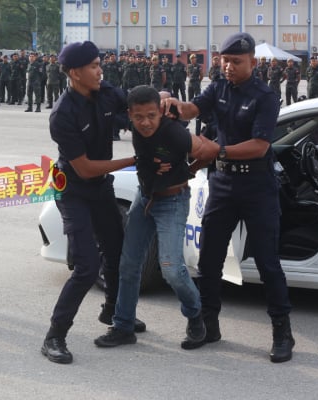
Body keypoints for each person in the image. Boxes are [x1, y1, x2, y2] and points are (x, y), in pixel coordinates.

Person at [161, 32, 295, 363]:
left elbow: (260, 146)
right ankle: (209, 324)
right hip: (223, 184)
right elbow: (194, 108)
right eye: (224, 60)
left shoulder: (265, 96)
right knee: (209, 261)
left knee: (267, 264)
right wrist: (174, 106)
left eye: (236, 61)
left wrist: (216, 149)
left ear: (252, 62)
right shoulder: (218, 86)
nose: (229, 66)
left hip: (257, 187)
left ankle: (282, 332)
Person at [41, 41, 144, 365]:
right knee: (86, 266)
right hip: (72, 189)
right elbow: (84, 167)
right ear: (75, 73)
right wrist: (132, 159)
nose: (101, 70)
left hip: (100, 187)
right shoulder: (63, 114)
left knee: (117, 251)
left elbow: (134, 107)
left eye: (100, 64)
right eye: (94, 66)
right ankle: (55, 336)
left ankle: (113, 312)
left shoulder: (105, 92)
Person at [93, 86, 219, 349]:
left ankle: (196, 315)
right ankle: (124, 325)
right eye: (139, 117)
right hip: (145, 198)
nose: (145, 122)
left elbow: (209, 151)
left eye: (151, 115)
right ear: (130, 115)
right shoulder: (134, 121)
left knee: (172, 269)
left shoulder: (173, 132)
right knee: (129, 265)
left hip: (172, 201)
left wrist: (187, 171)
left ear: (159, 114)